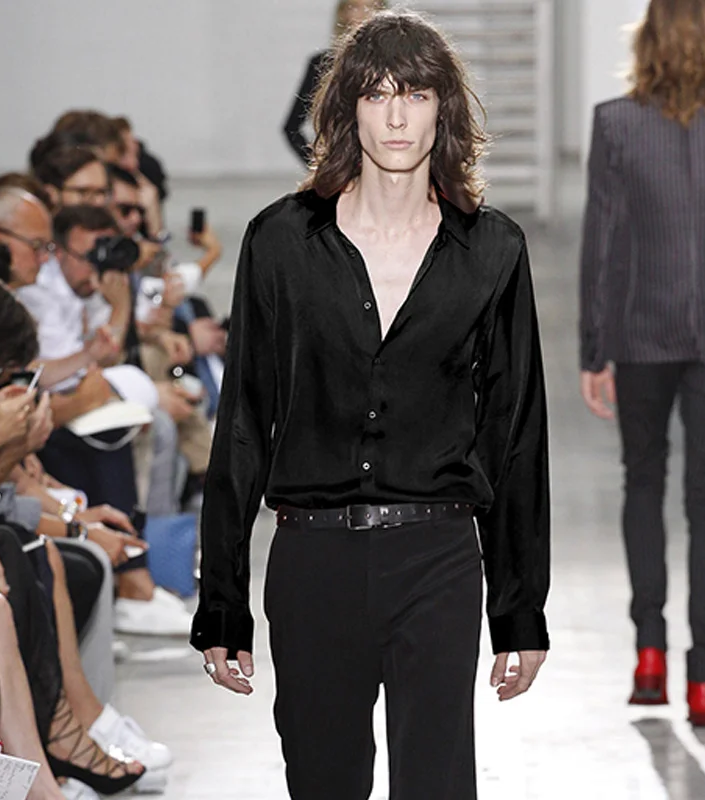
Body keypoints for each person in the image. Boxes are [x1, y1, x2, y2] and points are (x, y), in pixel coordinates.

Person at [193, 11, 550, 799]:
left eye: (415, 95)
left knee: (437, 787)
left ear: (442, 110)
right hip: (312, 560)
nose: (395, 117)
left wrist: (519, 610)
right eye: (377, 94)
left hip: (438, 556)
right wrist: (221, 601)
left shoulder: (492, 250)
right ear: (345, 107)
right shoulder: (280, 242)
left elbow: (515, 435)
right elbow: (243, 424)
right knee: (324, 783)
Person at [579, 0, 705, 727]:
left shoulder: (616, 123)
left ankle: (649, 654)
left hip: (642, 332)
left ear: (649, 41)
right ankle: (703, 680)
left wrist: (594, 347)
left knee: (643, 482)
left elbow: (603, 243)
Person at [283, 0, 388, 164]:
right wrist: (322, 168)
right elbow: (292, 128)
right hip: (344, 170)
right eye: (355, 7)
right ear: (343, 13)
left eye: (372, 6)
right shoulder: (323, 65)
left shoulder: (396, 65)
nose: (364, 13)